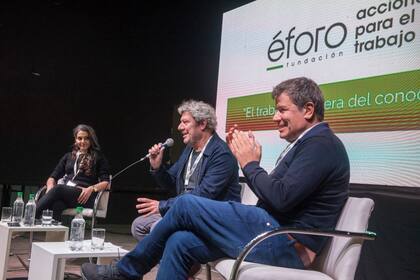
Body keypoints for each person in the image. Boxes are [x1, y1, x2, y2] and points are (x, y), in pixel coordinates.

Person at [81, 77, 350, 280]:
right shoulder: (308, 144)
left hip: (286, 245)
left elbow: (280, 198)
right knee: (180, 242)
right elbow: (279, 195)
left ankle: (127, 271)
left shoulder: (321, 144)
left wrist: (250, 164)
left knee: (186, 205)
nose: (274, 116)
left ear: (308, 109)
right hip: (269, 232)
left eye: (282, 110)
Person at [131, 99, 241, 242]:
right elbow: (170, 182)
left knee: (158, 227)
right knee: (138, 226)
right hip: (186, 211)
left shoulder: (221, 154)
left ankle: (175, 262)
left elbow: (204, 194)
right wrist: (157, 167)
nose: (179, 127)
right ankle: (172, 263)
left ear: (202, 124)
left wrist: (163, 205)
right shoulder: (189, 150)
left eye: (185, 122)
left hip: (210, 216)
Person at [36, 124, 110, 221]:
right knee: (57, 205)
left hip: (85, 196)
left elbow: (106, 182)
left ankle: (28, 217)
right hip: (67, 194)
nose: (83, 141)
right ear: (75, 139)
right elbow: (52, 177)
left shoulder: (99, 157)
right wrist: (50, 189)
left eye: (86, 138)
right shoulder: (68, 156)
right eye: (80, 138)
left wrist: (91, 189)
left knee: (58, 189)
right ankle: (56, 234)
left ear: (91, 140)